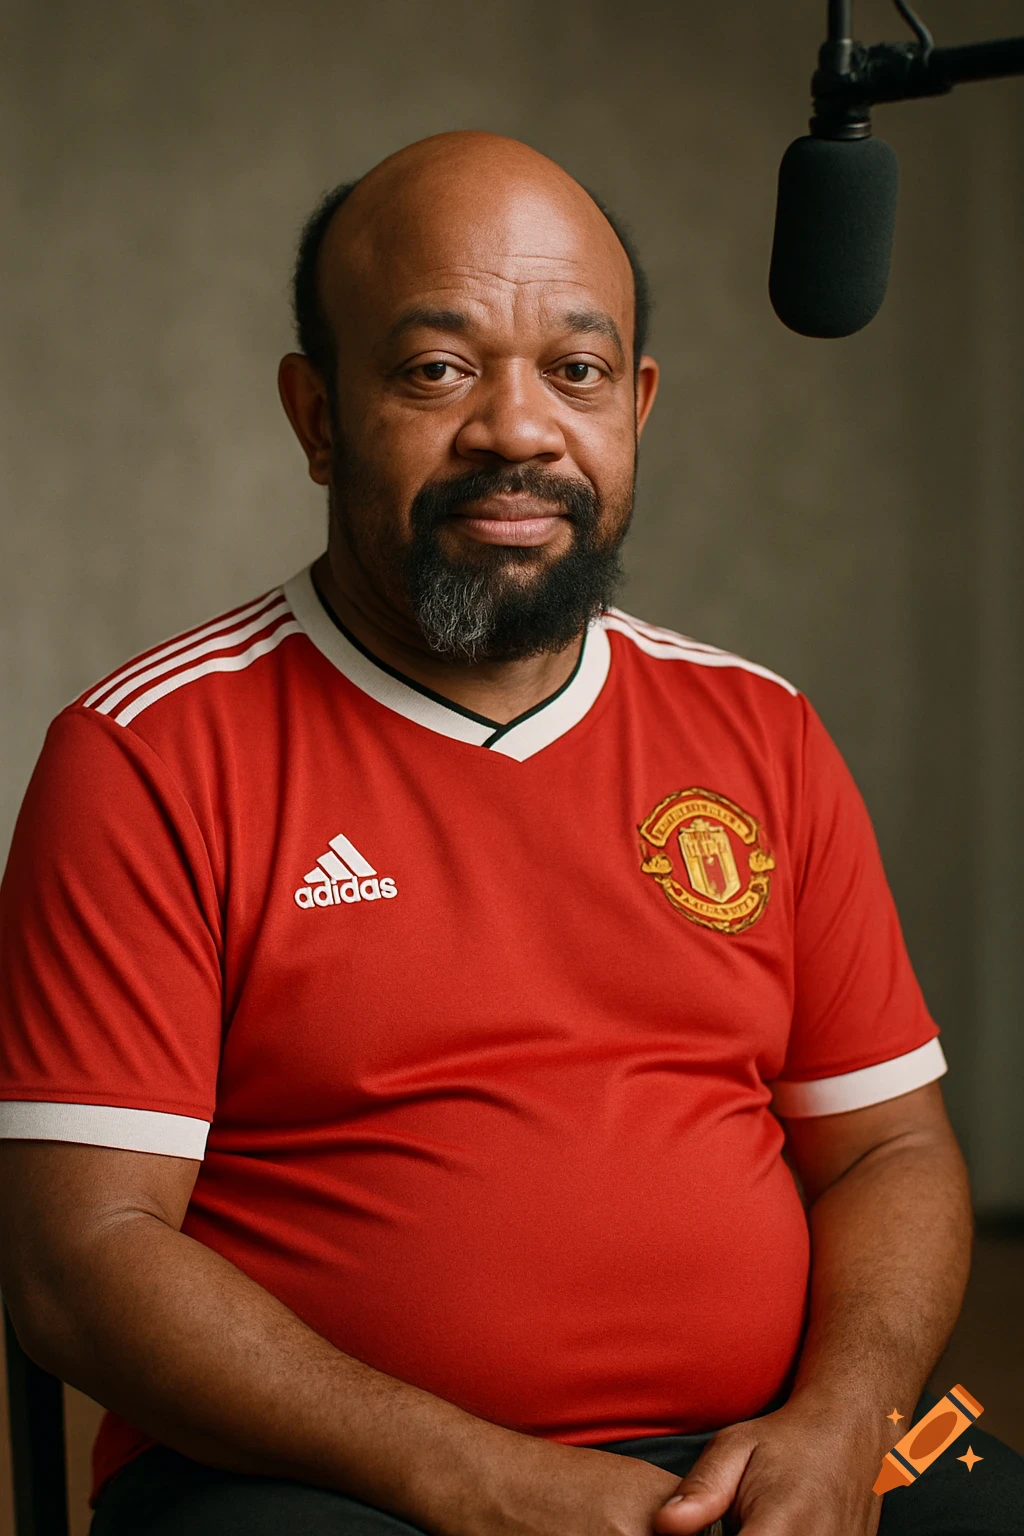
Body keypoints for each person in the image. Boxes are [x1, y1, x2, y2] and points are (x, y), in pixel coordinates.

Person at [0, 131, 1020, 1536]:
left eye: (578, 371)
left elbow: (891, 1153)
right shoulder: (149, 756)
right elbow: (77, 1258)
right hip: (320, 1482)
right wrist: (476, 1479)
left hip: (765, 1450)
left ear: (638, 407)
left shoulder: (761, 732)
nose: (519, 430)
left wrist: (843, 1420)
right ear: (317, 413)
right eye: (437, 369)